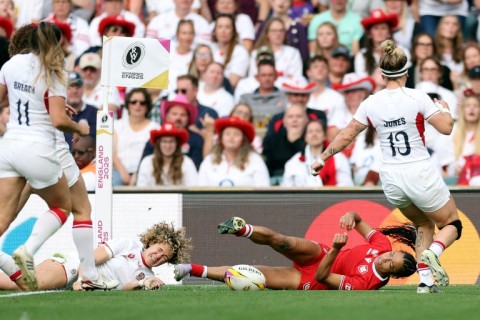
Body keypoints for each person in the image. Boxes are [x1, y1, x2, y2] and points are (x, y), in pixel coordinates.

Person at [311, 39, 462, 293]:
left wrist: (322, 158)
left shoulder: (370, 103)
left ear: (381, 75)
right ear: (406, 72)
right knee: (451, 226)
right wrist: (445, 110)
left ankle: (425, 282)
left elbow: (347, 134)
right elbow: (446, 129)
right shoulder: (418, 97)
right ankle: (434, 252)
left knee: (423, 225)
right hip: (418, 171)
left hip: (391, 179)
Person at [0, 22, 92, 290]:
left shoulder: (11, 64)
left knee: (3, 219)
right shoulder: (54, 72)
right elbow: (57, 120)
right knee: (65, 206)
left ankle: (14, 264)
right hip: (39, 149)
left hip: (9, 148)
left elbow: (5, 99)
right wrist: (80, 127)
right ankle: (27, 251)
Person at [173, 211, 417, 291]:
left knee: (250, 275)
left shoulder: (367, 283)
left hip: (312, 278)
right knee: (283, 242)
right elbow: (358, 218)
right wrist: (351, 216)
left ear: (393, 276)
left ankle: (189, 269)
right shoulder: (381, 245)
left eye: (390, 265)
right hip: (319, 254)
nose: (385, 258)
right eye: (391, 255)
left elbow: (322, 276)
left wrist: (336, 249)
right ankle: (241, 228)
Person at [0, 222, 192, 291]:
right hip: (73, 266)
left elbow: (122, 289)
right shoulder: (127, 244)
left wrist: (145, 284)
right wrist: (82, 279)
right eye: (159, 249)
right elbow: (91, 257)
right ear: (152, 242)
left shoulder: (146, 274)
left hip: (76, 282)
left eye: (165, 257)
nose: (158, 256)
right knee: (28, 285)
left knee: (10, 285)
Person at [198, 116, 270, 187]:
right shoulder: (210, 159)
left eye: (236, 134)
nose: (231, 137)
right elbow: (200, 190)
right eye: (227, 134)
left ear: (243, 139)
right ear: (221, 137)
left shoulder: (255, 160)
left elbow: (263, 190)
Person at [282, 120, 353, 187]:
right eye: (310, 131)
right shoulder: (294, 162)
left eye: (318, 131)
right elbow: (286, 188)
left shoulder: (339, 158)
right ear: (305, 137)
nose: (314, 134)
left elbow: (346, 184)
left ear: (324, 136)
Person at [136, 123, 198, 187]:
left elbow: (193, 188)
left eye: (171, 141)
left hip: (179, 197)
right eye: (164, 141)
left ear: (177, 144)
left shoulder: (187, 162)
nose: (168, 145)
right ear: (158, 143)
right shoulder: (147, 162)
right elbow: (141, 189)